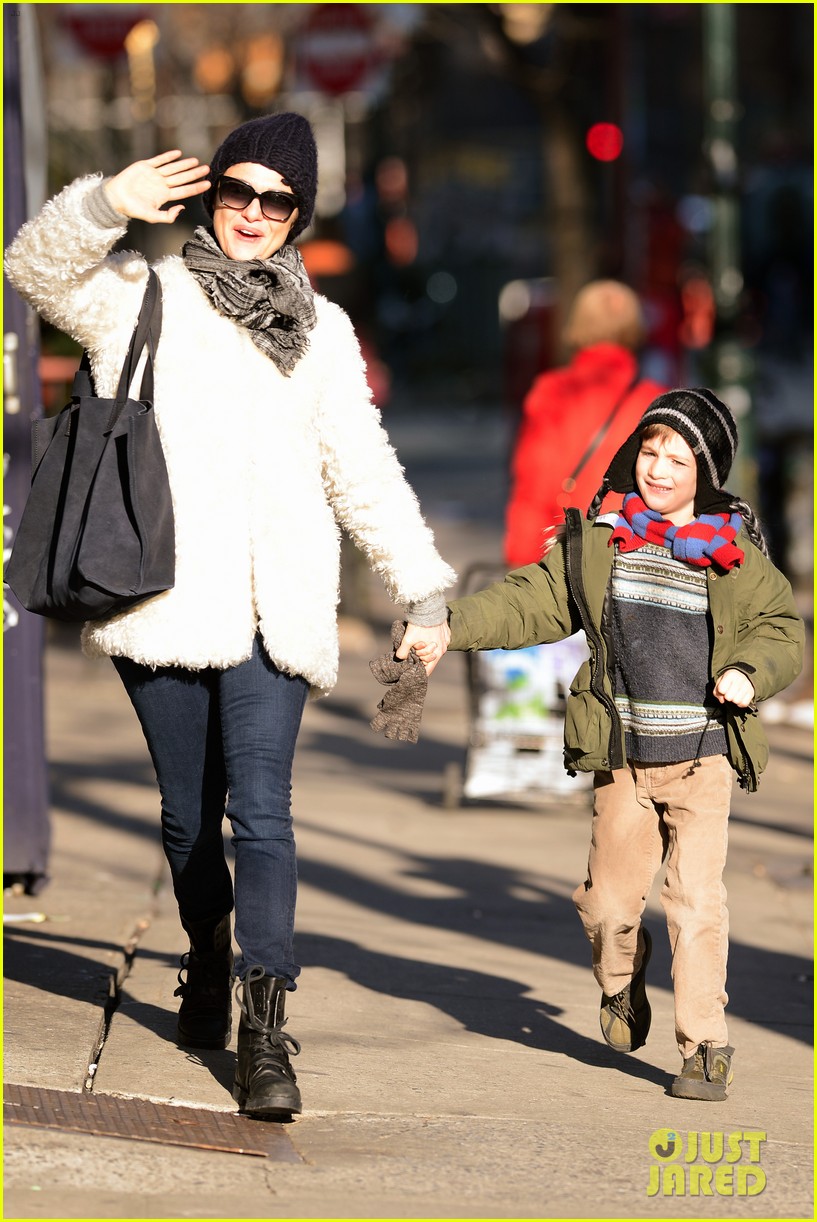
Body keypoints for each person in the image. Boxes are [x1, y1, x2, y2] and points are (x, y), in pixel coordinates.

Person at [5, 113, 454, 1120]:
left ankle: (265, 1024)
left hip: (278, 605)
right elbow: (34, 268)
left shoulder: (323, 330)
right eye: (237, 192)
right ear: (213, 195)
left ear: (299, 212)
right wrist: (107, 203)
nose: (252, 214)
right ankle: (205, 948)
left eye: (275, 200)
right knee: (184, 819)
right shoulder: (143, 297)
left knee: (264, 809)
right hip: (160, 596)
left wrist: (418, 585)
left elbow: (361, 467)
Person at [430, 388, 804, 1101]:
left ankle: (704, 1047)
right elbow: (528, 599)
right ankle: (621, 981)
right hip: (625, 758)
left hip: (702, 757)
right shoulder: (602, 540)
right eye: (649, 451)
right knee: (607, 908)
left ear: (707, 471)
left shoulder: (733, 556)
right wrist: (450, 626)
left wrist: (747, 674)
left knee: (697, 901)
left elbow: (781, 630)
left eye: (677, 458)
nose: (657, 469)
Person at [504, 280, 666, 568]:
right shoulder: (655, 401)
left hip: (567, 561)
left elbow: (533, 487)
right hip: (635, 561)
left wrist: (521, 564)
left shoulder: (552, 393)